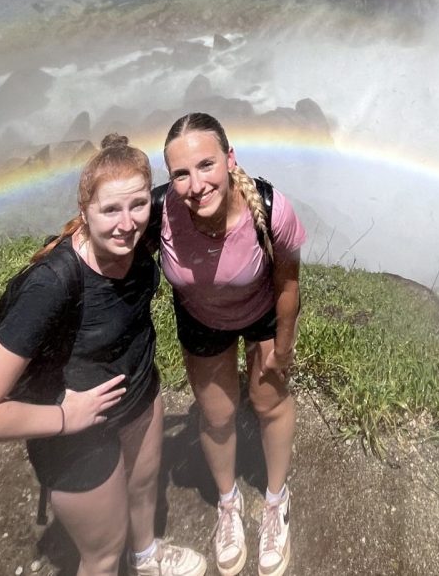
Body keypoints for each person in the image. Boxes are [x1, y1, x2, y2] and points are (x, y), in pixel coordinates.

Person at [0, 134, 206, 576]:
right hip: (74, 435)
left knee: (144, 489)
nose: (127, 223)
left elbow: (203, 188)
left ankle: (146, 557)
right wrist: (68, 417)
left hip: (140, 395)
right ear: (84, 212)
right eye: (110, 210)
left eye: (138, 205)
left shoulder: (144, 226)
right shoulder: (52, 286)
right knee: (103, 554)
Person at [157, 113, 306, 576]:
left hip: (260, 312)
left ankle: (276, 501)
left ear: (229, 159)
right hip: (201, 319)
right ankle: (228, 503)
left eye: (206, 165)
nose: (195, 184)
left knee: (269, 404)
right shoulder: (158, 213)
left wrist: (282, 348)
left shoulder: (270, 208)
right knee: (217, 415)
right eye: (181, 173)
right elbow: (109, 241)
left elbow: (288, 285)